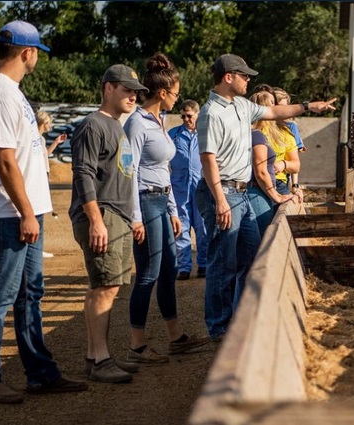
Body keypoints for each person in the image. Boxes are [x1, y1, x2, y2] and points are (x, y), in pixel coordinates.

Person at [0, 20, 85, 404]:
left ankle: (40, 372)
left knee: (29, 294)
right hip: (9, 213)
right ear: (27, 52)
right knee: (0, 296)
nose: (37, 58)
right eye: (37, 52)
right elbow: (5, 162)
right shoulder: (1, 95)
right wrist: (26, 213)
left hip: (20, 212)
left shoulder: (11, 92)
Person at [197, 53, 336, 341]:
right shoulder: (211, 113)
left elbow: (275, 113)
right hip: (223, 191)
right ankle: (220, 329)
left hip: (242, 191)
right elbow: (208, 159)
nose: (249, 79)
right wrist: (220, 200)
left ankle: (243, 317)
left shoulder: (242, 106)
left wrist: (309, 106)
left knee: (252, 256)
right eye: (244, 75)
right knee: (223, 262)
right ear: (228, 77)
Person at [124, 53, 209, 364]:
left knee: (169, 269)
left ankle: (176, 337)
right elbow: (129, 171)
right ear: (162, 93)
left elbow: (166, 171)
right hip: (145, 202)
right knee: (147, 272)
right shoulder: (137, 122)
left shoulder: (160, 122)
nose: (177, 98)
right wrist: (135, 217)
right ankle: (137, 345)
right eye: (175, 93)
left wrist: (173, 210)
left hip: (162, 199)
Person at [69, 63, 147, 384]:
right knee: (106, 288)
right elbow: (83, 173)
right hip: (103, 215)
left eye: (136, 92)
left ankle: (94, 356)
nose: (133, 96)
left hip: (117, 215)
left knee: (103, 287)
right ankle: (101, 360)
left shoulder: (116, 125)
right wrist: (96, 220)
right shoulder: (93, 125)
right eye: (126, 89)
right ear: (108, 89)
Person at [245, 90, 298, 236]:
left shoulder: (283, 132)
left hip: (268, 187)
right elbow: (261, 171)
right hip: (259, 189)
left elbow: (296, 165)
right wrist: (276, 196)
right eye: (274, 105)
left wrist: (284, 165)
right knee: (265, 237)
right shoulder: (256, 134)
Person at [168, 100, 207, 281]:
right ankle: (183, 267)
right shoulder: (173, 135)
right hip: (179, 188)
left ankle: (204, 264)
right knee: (181, 228)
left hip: (200, 187)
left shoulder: (206, 134)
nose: (185, 119)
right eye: (182, 116)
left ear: (197, 114)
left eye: (189, 116)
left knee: (203, 227)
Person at [253, 85, 302, 196]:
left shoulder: (288, 129)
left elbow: (296, 165)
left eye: (287, 107)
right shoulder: (253, 129)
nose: (286, 111)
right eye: (280, 107)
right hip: (255, 183)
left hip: (280, 183)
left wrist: (284, 164)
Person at [35, 109, 67, 258]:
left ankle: (37, 247)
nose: (51, 125)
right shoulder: (35, 138)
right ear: (44, 123)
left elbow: (44, 157)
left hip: (43, 174)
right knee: (38, 211)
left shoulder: (40, 138)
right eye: (49, 122)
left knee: (40, 210)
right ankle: (36, 248)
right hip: (39, 175)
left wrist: (56, 142)